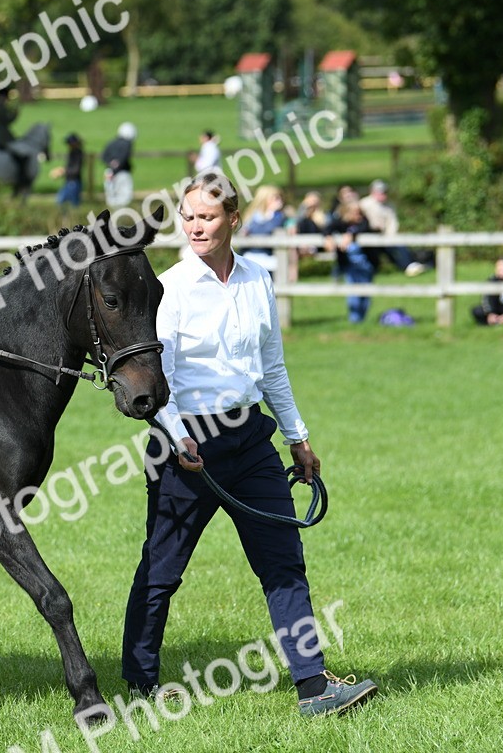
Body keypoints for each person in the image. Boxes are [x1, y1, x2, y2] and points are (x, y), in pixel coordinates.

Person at [122, 171, 378, 718]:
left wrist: (298, 436)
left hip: (251, 440)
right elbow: (153, 373)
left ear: (233, 220)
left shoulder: (258, 279)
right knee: (163, 570)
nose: (195, 225)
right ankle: (140, 683)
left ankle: (313, 686)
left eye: (207, 216)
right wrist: (177, 434)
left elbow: (272, 367)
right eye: (187, 216)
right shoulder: (166, 289)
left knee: (284, 563)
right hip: (187, 443)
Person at [324, 201, 377, 323]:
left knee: (366, 293)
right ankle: (354, 319)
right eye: (355, 213)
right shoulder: (341, 224)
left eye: (360, 213)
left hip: (366, 265)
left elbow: (363, 227)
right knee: (353, 292)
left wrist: (351, 234)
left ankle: (362, 319)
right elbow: (327, 228)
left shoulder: (363, 223)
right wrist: (328, 238)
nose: (358, 216)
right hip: (350, 266)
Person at [360, 180, 425, 276]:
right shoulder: (364, 204)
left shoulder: (390, 205)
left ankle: (409, 266)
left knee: (399, 246)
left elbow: (392, 224)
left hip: (385, 236)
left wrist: (390, 237)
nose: (383, 194)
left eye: (384, 192)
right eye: (380, 192)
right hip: (368, 236)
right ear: (372, 192)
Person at [240, 185, 286, 275]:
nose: (280, 201)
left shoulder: (278, 216)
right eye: (276, 198)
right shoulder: (252, 215)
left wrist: (272, 213)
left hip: (269, 260)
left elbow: (268, 229)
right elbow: (243, 232)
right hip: (250, 257)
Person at [103, 122, 136, 209]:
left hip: (109, 172)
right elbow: (123, 158)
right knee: (124, 199)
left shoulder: (111, 143)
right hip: (121, 173)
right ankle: (122, 219)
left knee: (111, 197)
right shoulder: (127, 144)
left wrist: (111, 166)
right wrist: (116, 169)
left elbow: (104, 156)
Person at [54, 132, 84, 209]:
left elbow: (76, 169)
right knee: (63, 202)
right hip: (69, 181)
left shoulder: (78, 153)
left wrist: (63, 171)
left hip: (73, 182)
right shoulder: (72, 153)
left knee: (66, 202)